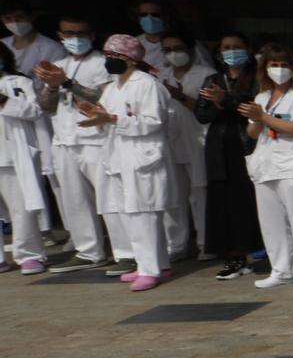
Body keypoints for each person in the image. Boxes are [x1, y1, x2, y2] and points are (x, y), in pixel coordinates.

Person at [76, 34, 173, 291]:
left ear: (131, 59)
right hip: (118, 158)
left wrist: (113, 119)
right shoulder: (112, 86)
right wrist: (95, 117)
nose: (109, 61)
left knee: (143, 215)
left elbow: (153, 122)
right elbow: (106, 116)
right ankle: (156, 264)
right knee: (130, 214)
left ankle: (149, 270)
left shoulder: (147, 84)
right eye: (107, 55)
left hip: (143, 158)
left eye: (115, 56)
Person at [242, 45, 293, 292]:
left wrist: (263, 117)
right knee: (272, 223)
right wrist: (257, 118)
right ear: (264, 68)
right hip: (265, 165)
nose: (278, 70)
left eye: (284, 64)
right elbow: (251, 131)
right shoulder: (261, 97)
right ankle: (282, 270)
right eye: (273, 65)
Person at [33, 16, 112, 268]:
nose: (75, 38)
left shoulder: (103, 63)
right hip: (65, 140)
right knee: (74, 201)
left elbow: (103, 96)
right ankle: (88, 251)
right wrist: (53, 86)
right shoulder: (58, 64)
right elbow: (46, 107)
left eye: (81, 33)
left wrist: (68, 83)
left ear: (92, 35)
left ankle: (127, 252)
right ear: (60, 36)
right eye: (69, 33)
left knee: (110, 200)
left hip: (96, 140)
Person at [193, 34, 263, 279]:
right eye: (226, 48)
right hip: (219, 147)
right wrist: (219, 105)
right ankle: (234, 257)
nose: (231, 52)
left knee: (248, 201)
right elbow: (201, 115)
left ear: (247, 49)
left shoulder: (257, 77)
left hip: (247, 144)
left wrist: (227, 101)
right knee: (222, 203)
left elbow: (253, 110)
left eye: (237, 47)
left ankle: (261, 251)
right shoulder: (213, 79)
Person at [157, 32, 215, 262]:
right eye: (168, 49)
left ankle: (206, 244)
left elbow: (207, 110)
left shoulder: (207, 75)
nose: (174, 53)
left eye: (178, 48)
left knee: (200, 195)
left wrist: (181, 97)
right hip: (170, 143)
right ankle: (176, 244)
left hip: (197, 141)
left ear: (191, 49)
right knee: (173, 196)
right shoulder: (161, 76)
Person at [0, 42, 50, 274]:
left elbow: (34, 111)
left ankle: (28, 254)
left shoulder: (19, 83)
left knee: (21, 209)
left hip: (12, 155)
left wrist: (3, 102)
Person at [4, 4, 62, 78]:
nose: (14, 22)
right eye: (8, 18)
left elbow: (56, 81)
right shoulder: (2, 44)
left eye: (20, 17)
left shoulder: (54, 49)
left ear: (32, 17)